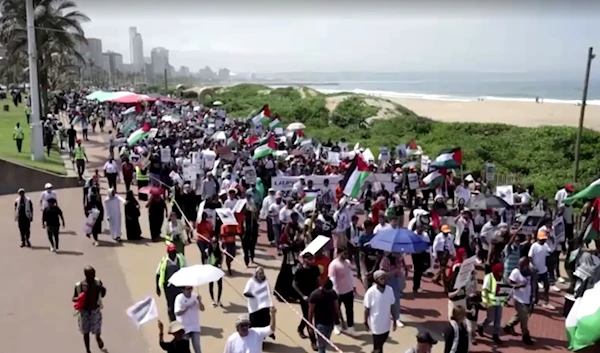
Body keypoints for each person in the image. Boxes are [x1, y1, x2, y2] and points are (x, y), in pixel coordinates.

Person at [72, 266, 106, 353]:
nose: (94, 275)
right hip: (84, 312)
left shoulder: (98, 283)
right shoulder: (80, 286)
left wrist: (102, 289)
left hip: (95, 310)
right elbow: (73, 298)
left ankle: (98, 338)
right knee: (85, 332)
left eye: (94, 273)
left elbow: (102, 294)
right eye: (91, 274)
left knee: (97, 329)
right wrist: (79, 297)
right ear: (86, 275)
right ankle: (88, 350)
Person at [503, 257, 534, 345]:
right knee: (524, 318)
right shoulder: (515, 272)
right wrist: (519, 285)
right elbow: (509, 284)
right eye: (519, 265)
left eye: (523, 265)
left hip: (528, 299)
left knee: (520, 315)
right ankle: (526, 335)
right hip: (518, 299)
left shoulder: (531, 272)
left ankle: (509, 326)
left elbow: (534, 284)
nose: (520, 267)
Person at [364, 270, 397, 353]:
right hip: (376, 324)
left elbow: (392, 305)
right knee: (378, 347)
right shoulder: (370, 292)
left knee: (382, 342)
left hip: (386, 323)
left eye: (385, 278)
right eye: (382, 278)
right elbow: (366, 309)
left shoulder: (389, 290)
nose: (384, 280)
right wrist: (365, 321)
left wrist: (395, 320)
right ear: (376, 280)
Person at [293, 252, 321, 350]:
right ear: (305, 260)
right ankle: (313, 341)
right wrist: (302, 295)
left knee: (313, 316)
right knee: (308, 318)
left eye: (312, 259)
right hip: (305, 297)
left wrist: (320, 290)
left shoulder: (315, 268)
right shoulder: (300, 270)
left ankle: (300, 328)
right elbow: (294, 285)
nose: (312, 261)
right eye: (309, 259)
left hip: (315, 296)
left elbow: (318, 280)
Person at [478, 263, 510, 344]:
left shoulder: (503, 278)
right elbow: (484, 290)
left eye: (502, 271)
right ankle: (481, 326)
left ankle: (495, 335)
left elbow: (507, 286)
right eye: (500, 271)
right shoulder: (489, 277)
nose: (502, 273)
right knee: (490, 318)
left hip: (500, 301)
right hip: (491, 302)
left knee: (498, 319)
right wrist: (486, 302)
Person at [308, 278, 342, 353]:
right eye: (327, 290)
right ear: (323, 287)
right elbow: (311, 311)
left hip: (331, 322)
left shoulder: (333, 293)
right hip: (320, 323)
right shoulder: (315, 295)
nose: (328, 292)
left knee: (326, 341)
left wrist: (338, 319)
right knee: (322, 346)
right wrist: (310, 324)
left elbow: (336, 307)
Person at [156, 244, 187, 322]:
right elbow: (158, 273)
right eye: (171, 252)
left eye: (174, 251)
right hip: (168, 287)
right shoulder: (164, 261)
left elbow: (186, 271)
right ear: (168, 252)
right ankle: (172, 322)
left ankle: (180, 320)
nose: (173, 253)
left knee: (180, 303)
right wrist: (157, 287)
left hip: (179, 286)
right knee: (171, 305)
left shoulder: (180, 259)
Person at [329, 247, 355, 335]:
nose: (347, 255)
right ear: (339, 253)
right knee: (335, 310)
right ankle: (337, 325)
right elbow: (332, 279)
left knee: (349, 310)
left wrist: (353, 286)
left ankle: (351, 326)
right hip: (338, 292)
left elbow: (350, 275)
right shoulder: (333, 265)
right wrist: (335, 291)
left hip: (348, 290)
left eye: (347, 253)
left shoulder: (348, 262)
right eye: (345, 253)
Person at [244, 267, 275, 340]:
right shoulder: (251, 281)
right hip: (255, 307)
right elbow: (245, 293)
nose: (262, 275)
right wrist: (255, 296)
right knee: (255, 323)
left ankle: (265, 336)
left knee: (265, 321)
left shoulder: (265, 281)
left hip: (264, 306)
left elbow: (268, 292)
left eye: (262, 273)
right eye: (260, 273)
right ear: (256, 274)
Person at [528, 230, 554, 309]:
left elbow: (550, 252)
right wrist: (533, 266)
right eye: (542, 239)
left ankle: (546, 301)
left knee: (546, 285)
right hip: (535, 270)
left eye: (544, 239)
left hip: (543, 270)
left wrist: (552, 242)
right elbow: (530, 256)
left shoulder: (545, 245)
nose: (544, 240)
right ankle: (534, 301)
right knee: (535, 287)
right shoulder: (534, 246)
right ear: (538, 238)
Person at [380, 251, 406, 327]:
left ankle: (397, 318)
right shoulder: (385, 260)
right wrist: (394, 271)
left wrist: (400, 273)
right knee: (386, 300)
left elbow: (399, 270)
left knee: (396, 300)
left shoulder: (397, 259)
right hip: (386, 282)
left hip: (395, 281)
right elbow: (382, 273)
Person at [174, 287, 205, 353]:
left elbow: (202, 309)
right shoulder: (179, 298)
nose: (190, 290)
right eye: (188, 289)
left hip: (194, 327)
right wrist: (187, 307)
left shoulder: (195, 296)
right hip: (184, 329)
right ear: (183, 290)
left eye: (191, 288)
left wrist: (199, 301)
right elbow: (177, 313)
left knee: (197, 348)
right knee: (185, 350)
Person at [207, 235, 224, 307]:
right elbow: (206, 261)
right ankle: (212, 300)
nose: (214, 244)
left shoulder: (219, 251)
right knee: (211, 285)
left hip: (218, 270)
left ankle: (219, 300)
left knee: (220, 285)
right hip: (211, 270)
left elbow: (221, 259)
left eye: (216, 243)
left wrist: (220, 263)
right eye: (213, 243)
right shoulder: (208, 251)